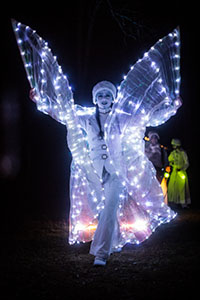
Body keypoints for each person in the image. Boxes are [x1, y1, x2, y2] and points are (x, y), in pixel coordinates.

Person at [12, 20, 182, 267]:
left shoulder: (123, 117)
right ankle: (110, 243)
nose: (103, 99)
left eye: (107, 96)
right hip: (91, 171)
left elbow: (149, 116)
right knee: (102, 210)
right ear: (95, 98)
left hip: (115, 171)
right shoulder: (85, 115)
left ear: (113, 98)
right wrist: (41, 100)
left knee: (111, 205)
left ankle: (100, 254)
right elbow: (63, 113)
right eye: (100, 95)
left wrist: (172, 107)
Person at [145, 131, 169, 204]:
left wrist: (166, 168)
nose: (154, 140)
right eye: (152, 138)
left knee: (162, 189)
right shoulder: (146, 149)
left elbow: (165, 160)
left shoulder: (161, 149)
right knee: (150, 190)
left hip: (159, 171)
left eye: (155, 138)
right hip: (149, 171)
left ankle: (163, 205)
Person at [167, 139, 191, 208]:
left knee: (182, 187)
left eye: (174, 145)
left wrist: (182, 168)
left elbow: (187, 163)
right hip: (174, 172)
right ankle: (174, 202)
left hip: (181, 173)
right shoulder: (173, 153)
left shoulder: (183, 153)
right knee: (173, 187)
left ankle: (183, 204)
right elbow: (169, 161)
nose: (173, 146)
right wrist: (172, 164)